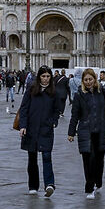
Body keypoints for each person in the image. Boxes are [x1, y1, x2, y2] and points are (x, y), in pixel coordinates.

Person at [68, 69, 105, 201]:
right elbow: (75, 115)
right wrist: (71, 132)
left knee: (99, 161)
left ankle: (98, 182)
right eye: (86, 80)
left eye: (90, 79)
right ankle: (89, 187)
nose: (88, 82)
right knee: (88, 160)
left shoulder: (103, 92)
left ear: (95, 79)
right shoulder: (79, 95)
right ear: (83, 81)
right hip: (85, 131)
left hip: (101, 130)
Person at [16, 68, 62, 197]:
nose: (46, 79)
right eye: (43, 76)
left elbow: (56, 109)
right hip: (31, 128)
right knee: (32, 158)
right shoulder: (31, 89)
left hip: (46, 128)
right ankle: (33, 186)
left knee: (47, 156)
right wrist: (23, 126)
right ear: (39, 77)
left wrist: (53, 121)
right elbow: (24, 108)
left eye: (48, 76)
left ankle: (49, 184)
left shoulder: (54, 92)